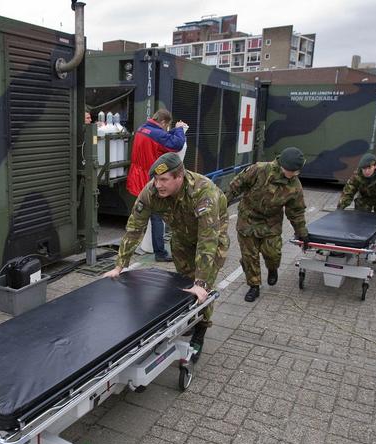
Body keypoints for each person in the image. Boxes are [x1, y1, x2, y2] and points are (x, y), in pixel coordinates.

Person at [104, 152, 228, 362]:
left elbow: (208, 240)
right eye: (155, 179)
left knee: (200, 289)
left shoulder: (203, 191)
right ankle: (190, 318)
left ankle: (201, 330)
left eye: (163, 179)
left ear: (179, 176)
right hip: (181, 239)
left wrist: (201, 282)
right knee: (184, 283)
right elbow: (135, 227)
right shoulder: (151, 192)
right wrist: (120, 266)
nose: (158, 184)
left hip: (211, 240)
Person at [226, 147, 309, 302]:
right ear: (282, 166)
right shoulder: (259, 170)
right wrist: (221, 206)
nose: (295, 174)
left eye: (297, 171)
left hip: (271, 223)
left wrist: (302, 231)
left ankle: (272, 268)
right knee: (249, 256)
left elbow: (296, 211)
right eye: (292, 171)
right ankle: (254, 286)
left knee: (273, 253)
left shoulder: (294, 185)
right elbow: (235, 186)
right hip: (248, 219)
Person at [126, 109, 188, 262]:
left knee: (139, 215)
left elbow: (163, 136)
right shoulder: (157, 134)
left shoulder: (143, 129)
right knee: (156, 216)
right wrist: (180, 129)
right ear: (163, 122)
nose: (167, 129)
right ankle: (160, 253)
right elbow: (177, 144)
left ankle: (132, 247)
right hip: (149, 179)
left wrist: (174, 130)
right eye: (167, 126)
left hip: (136, 176)